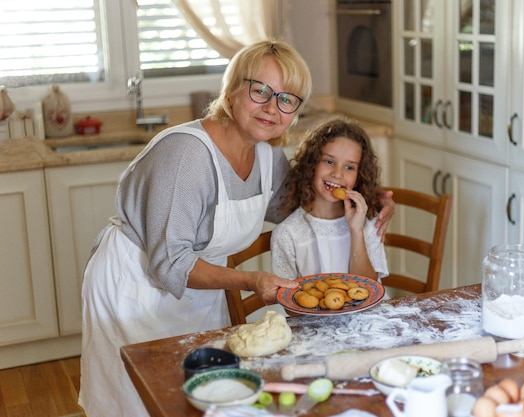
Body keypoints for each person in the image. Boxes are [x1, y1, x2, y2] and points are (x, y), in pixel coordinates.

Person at [79, 40, 395, 417]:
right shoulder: (186, 156)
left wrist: (373, 200)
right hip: (136, 291)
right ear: (231, 90)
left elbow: (302, 204)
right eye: (260, 90)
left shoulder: (267, 156)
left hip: (201, 297)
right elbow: (170, 264)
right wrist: (251, 280)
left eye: (287, 99)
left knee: (203, 401)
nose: (271, 107)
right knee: (139, 403)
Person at [271, 118, 389, 281]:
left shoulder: (367, 222)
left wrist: (356, 231)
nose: (337, 173)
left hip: (369, 307)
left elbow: (369, 287)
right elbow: (287, 300)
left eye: (349, 167)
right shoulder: (287, 234)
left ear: (359, 175)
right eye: (329, 161)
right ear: (311, 164)